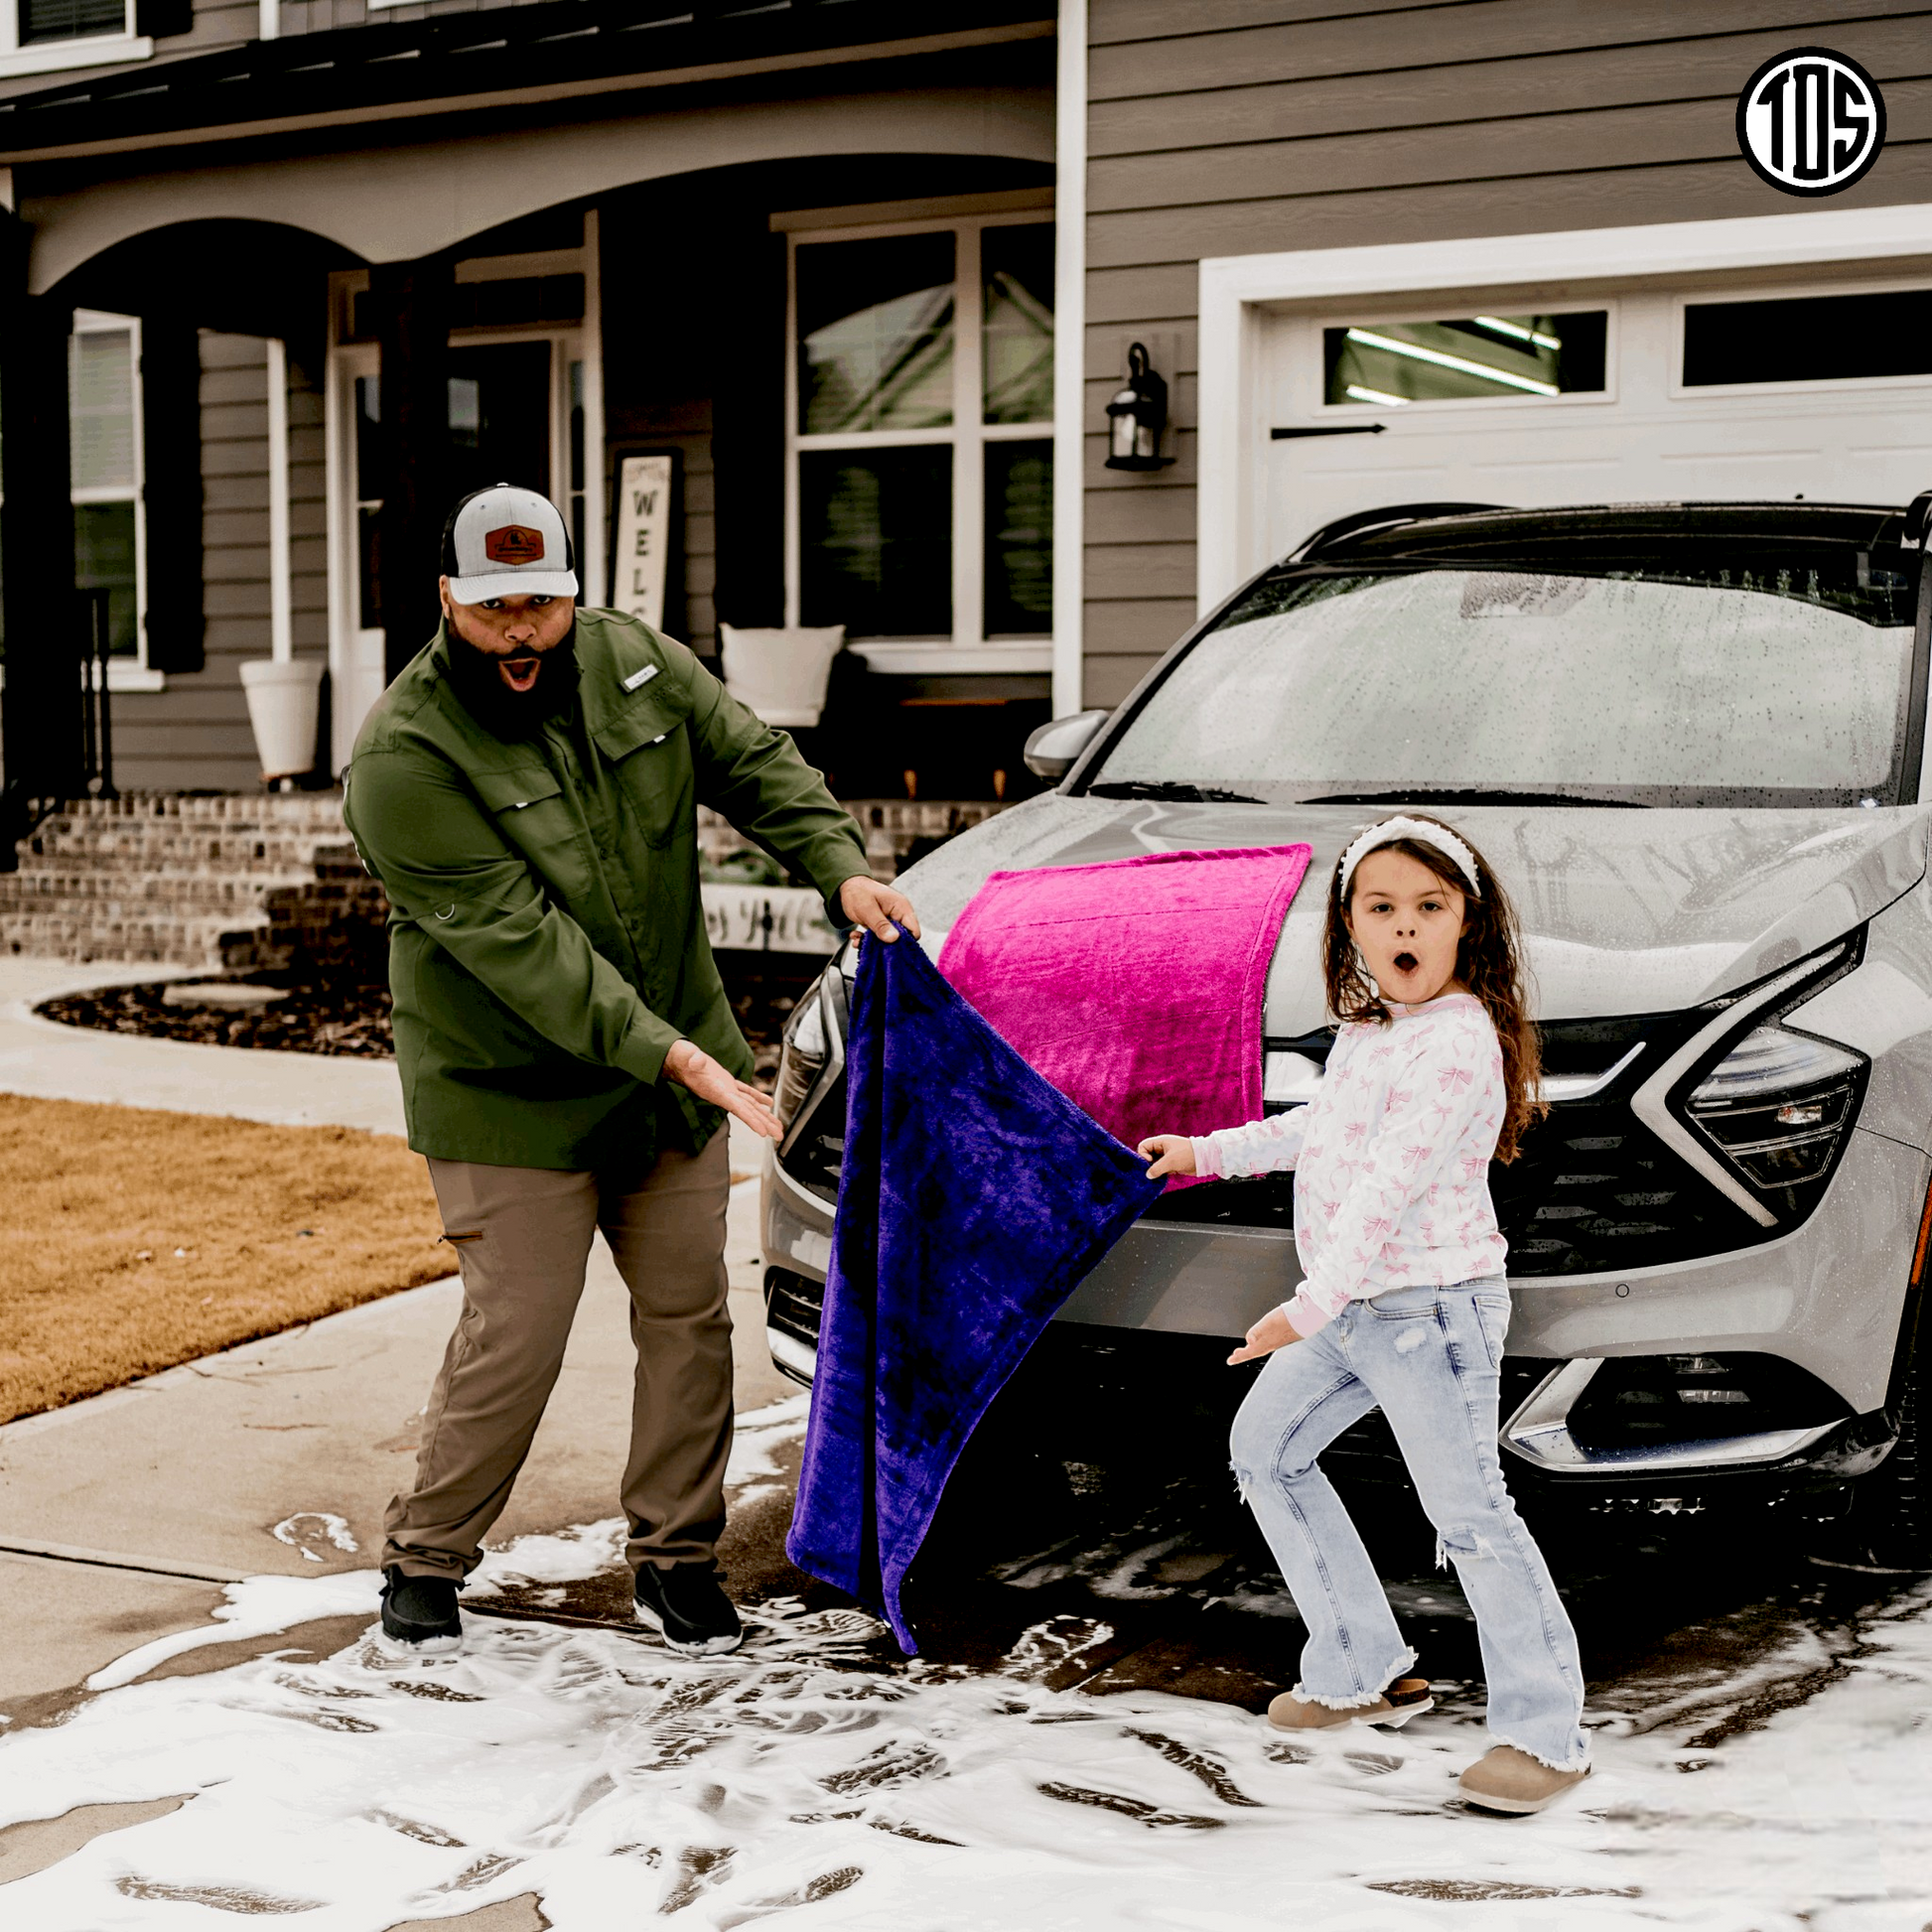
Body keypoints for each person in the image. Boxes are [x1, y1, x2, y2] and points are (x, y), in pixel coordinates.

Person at [344, 483, 916, 1660]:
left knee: (688, 1320)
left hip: (668, 1058)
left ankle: (675, 1559)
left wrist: (837, 867)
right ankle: (427, 1556)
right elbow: (522, 948)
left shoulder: (634, 663)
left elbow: (755, 762)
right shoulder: (402, 756)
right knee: (520, 1329)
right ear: (448, 599)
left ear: (572, 591)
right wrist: (673, 1051)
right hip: (509, 1083)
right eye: (496, 608)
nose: (522, 632)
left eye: (543, 604)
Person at [1137, 813, 1589, 1815]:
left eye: (1428, 906)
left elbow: (1386, 1184)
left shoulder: (1458, 1043)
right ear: (1348, 925)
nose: (1405, 925)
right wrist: (1206, 1151)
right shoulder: (1372, 1026)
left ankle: (1543, 1733)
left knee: (1468, 1512)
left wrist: (1301, 1307)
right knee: (1264, 1448)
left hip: (1428, 1309)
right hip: (1354, 1305)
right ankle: (1358, 1663)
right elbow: (1325, 1131)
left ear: (1464, 922)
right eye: (1380, 906)